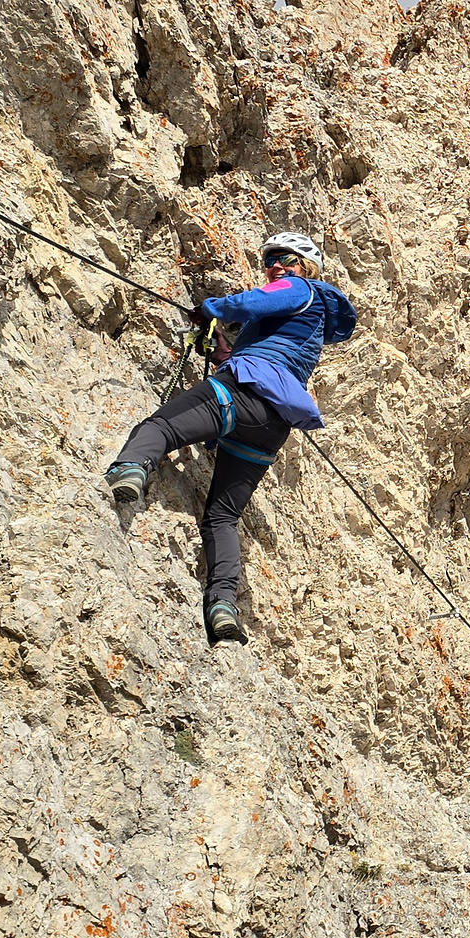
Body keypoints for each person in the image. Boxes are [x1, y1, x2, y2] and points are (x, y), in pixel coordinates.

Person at [104, 232, 356, 644]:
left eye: (283, 258)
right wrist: (225, 352)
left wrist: (211, 310)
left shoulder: (299, 288)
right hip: (271, 424)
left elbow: (252, 302)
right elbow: (273, 353)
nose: (273, 264)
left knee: (161, 427)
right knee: (222, 516)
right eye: (269, 259)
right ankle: (223, 605)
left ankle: (130, 471)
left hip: (241, 393)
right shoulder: (311, 322)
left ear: (303, 265)